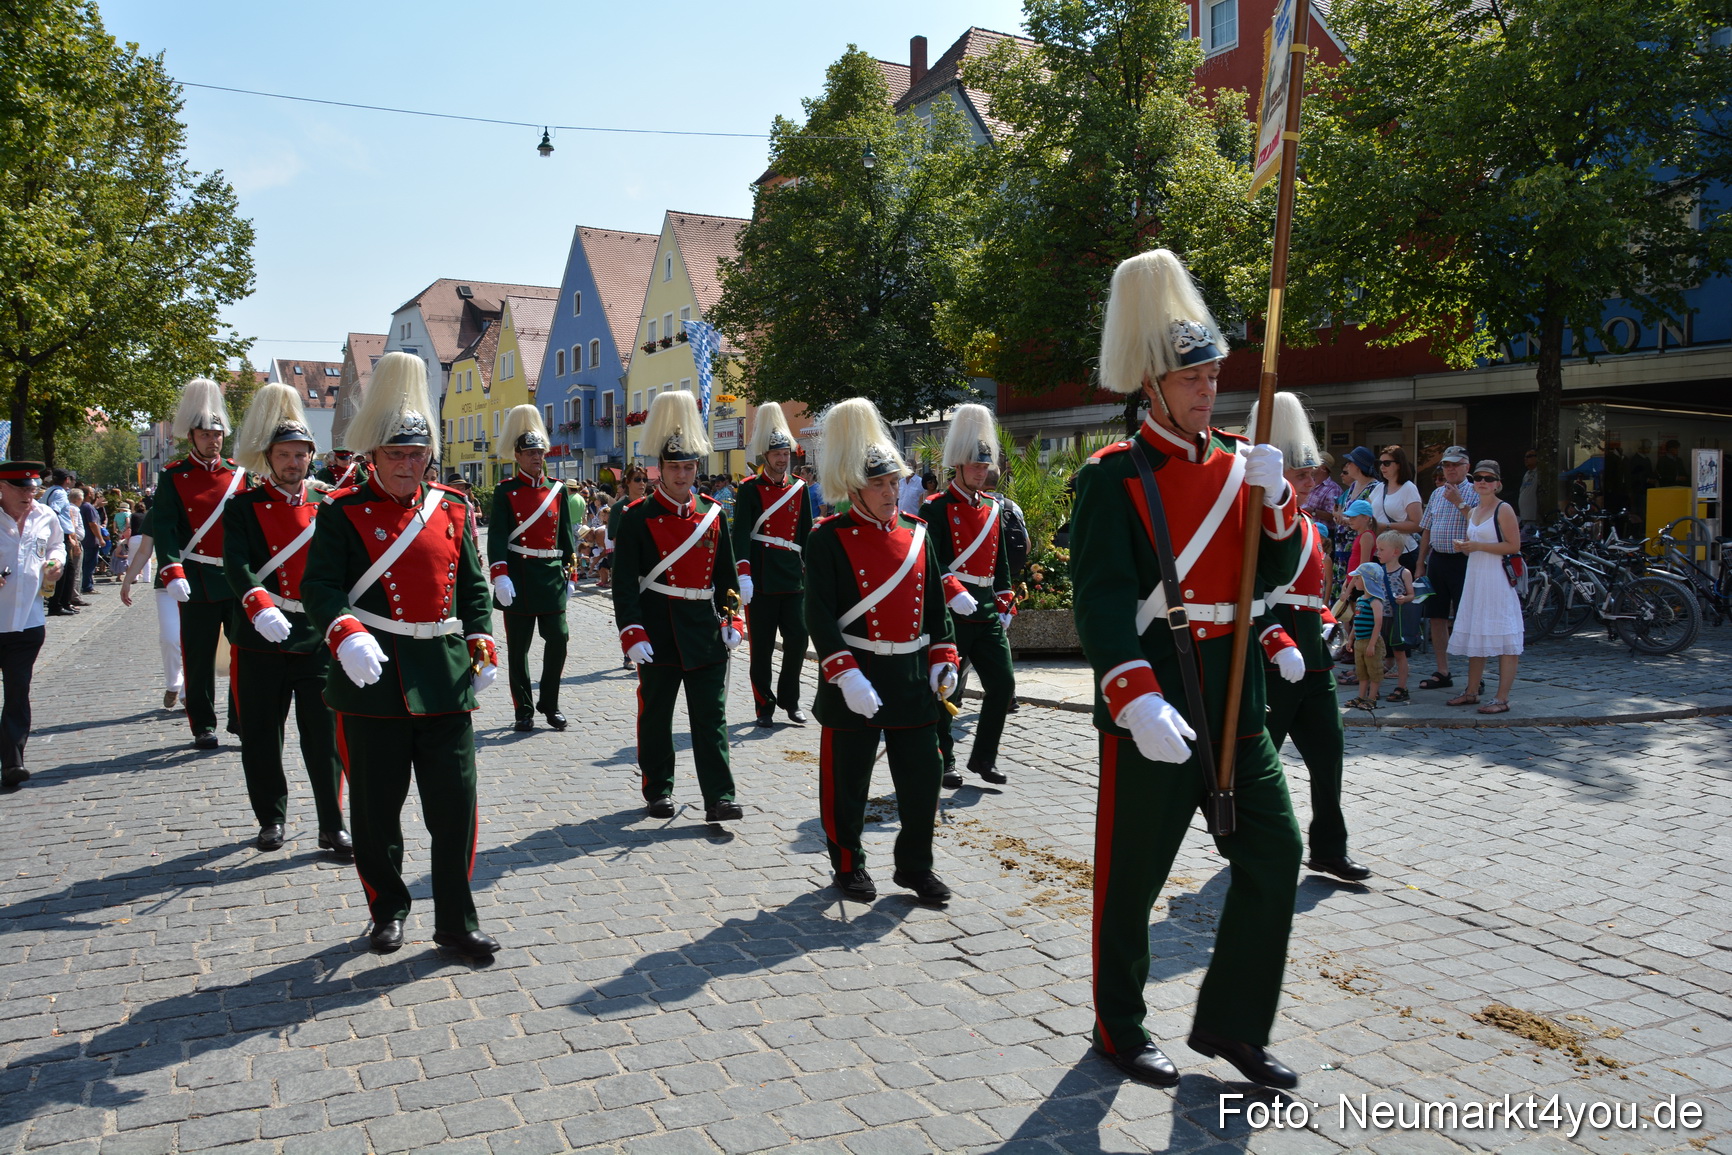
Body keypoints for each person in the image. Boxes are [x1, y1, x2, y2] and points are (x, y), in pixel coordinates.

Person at [1072, 248, 1304, 1090]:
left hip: (1236, 689)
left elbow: (1279, 572)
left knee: (1276, 855)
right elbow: (1099, 601)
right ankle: (1119, 1023)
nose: (1208, 388)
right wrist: (1133, 697)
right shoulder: (1113, 478)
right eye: (1190, 376)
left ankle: (1235, 1024)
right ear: (1153, 386)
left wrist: (1279, 505)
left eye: (1212, 371)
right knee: (1129, 880)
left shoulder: (1245, 459)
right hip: (1160, 693)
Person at [300, 352, 501, 959]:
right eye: (397, 455)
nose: (410, 466)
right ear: (373, 456)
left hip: (443, 679)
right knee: (375, 811)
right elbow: (319, 588)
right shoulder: (342, 511)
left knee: (455, 809)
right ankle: (386, 908)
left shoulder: (453, 507)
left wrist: (481, 641)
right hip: (374, 678)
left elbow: (471, 587)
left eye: (418, 455)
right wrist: (343, 632)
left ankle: (456, 920)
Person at [805, 397, 959, 905]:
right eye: (881, 483)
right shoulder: (828, 538)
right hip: (858, 673)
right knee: (846, 782)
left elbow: (935, 606)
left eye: (895, 482)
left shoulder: (918, 534)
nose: (893, 492)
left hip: (912, 677)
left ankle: (915, 866)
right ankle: (847, 864)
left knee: (922, 781)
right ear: (855, 489)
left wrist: (945, 656)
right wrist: (845, 674)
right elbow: (819, 615)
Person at [1247, 396, 1370, 882]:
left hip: (1314, 661)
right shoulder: (1255, 526)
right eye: (1302, 477)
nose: (1310, 483)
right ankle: (1249, 842)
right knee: (1258, 764)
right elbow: (1249, 595)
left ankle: (1329, 849)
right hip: (1275, 662)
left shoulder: (1312, 529)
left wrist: (1323, 618)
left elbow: (1308, 594)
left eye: (1310, 475)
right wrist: (1277, 641)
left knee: (1328, 760)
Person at [223, 384, 350, 857]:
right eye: (284, 454)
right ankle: (270, 817)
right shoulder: (243, 507)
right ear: (269, 457)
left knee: (324, 739)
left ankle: (331, 824)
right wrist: (257, 603)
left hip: (315, 636)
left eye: (301, 454)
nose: (293, 463)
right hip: (260, 637)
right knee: (260, 736)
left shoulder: (328, 503)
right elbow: (234, 562)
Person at [611, 390, 745, 823]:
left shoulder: (713, 514)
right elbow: (625, 584)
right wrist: (631, 631)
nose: (683, 474)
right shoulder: (636, 516)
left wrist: (733, 618)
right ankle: (658, 790)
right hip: (657, 629)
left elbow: (725, 578)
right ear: (660, 470)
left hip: (703, 630)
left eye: (689, 467)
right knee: (656, 717)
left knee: (711, 718)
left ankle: (720, 796)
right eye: (675, 467)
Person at [923, 404, 1017, 790]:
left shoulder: (994, 508)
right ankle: (943, 760)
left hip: (986, 612)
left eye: (985, 466)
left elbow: (1001, 563)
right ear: (958, 466)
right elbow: (930, 560)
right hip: (953, 612)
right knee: (946, 687)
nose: (982, 472)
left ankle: (984, 758)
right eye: (976, 466)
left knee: (1004, 685)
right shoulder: (937, 508)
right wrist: (952, 589)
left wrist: (1006, 599)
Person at [154, 377, 245, 750]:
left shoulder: (239, 475)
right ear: (191, 436)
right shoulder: (175, 477)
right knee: (198, 655)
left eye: (218, 433)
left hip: (238, 577)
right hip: (197, 578)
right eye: (205, 434)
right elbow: (165, 528)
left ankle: (241, 719)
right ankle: (203, 724)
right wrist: (172, 570)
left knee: (244, 653)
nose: (213, 440)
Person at [489, 406, 577, 733]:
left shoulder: (557, 490)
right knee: (518, 649)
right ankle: (523, 709)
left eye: (540, 452)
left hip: (551, 575)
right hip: (520, 576)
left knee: (559, 638)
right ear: (517, 456)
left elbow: (566, 536)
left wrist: (572, 573)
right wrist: (500, 575)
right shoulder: (505, 491)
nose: (537, 457)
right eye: (530, 453)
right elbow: (497, 536)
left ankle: (549, 702)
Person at [733, 402, 813, 728]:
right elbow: (740, 535)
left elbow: (806, 533)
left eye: (786, 453)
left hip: (793, 578)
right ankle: (763, 705)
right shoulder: (750, 489)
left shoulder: (799, 488)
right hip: (762, 578)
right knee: (762, 648)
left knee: (798, 641)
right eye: (777, 453)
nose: (783, 458)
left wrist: (815, 573)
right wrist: (744, 574)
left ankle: (790, 700)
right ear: (766, 455)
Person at [0, 463, 67, 789]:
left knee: (17, 691)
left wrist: (56, 562)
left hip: (27, 621)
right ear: (2, 487)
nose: (29, 494)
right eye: (21, 488)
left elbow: (56, 545)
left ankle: (13, 763)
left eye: (32, 488)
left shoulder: (45, 516)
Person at [1446, 461, 1524, 714]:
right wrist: (1466, 546)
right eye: (1478, 477)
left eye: (1488, 479)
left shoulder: (1504, 509)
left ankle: (1502, 698)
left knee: (1504, 636)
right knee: (1477, 633)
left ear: (1497, 484)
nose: (1482, 482)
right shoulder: (1476, 510)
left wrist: (1477, 547)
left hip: (1497, 580)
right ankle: (1471, 691)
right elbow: (1476, 537)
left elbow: (1513, 545)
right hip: (1477, 577)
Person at [1415, 446, 1477, 693]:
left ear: (1466, 467)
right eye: (1446, 465)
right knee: (1437, 616)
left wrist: (1459, 502)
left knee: (1469, 618)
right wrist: (1421, 562)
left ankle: (1476, 675)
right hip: (1438, 559)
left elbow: (1479, 522)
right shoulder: (1437, 493)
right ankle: (1443, 670)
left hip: (1464, 561)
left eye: (1455, 464)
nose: (1450, 469)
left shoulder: (1475, 492)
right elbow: (1427, 529)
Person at [119, 512, 182, 710]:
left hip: (200, 583)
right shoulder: (157, 511)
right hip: (166, 584)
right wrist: (127, 579)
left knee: (194, 641)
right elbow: (145, 550)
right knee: (170, 638)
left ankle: (191, 692)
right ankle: (173, 684)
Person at [1344, 532, 1413, 709]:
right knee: (1378, 655)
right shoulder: (1376, 570)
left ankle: (1401, 687)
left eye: (1382, 549)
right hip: (1376, 620)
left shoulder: (1404, 572)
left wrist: (1404, 599)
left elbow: (1411, 594)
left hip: (1393, 618)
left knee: (1399, 653)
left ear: (1396, 551)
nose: (1378, 553)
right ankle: (1373, 689)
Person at [1369, 446, 1423, 571]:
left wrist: (1387, 526)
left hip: (1401, 553)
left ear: (1399, 464)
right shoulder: (1379, 487)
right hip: (1378, 552)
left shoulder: (1408, 488)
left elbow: (1418, 524)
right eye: (1380, 463)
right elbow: (1365, 512)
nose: (1382, 467)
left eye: (1387, 463)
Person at [45, 471, 80, 616]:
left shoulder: (50, 490)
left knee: (68, 570)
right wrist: (59, 533)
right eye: (72, 479)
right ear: (67, 479)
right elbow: (54, 511)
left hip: (60, 534)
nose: (73, 482)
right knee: (64, 571)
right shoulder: (59, 493)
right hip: (60, 535)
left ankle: (64, 602)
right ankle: (57, 604)